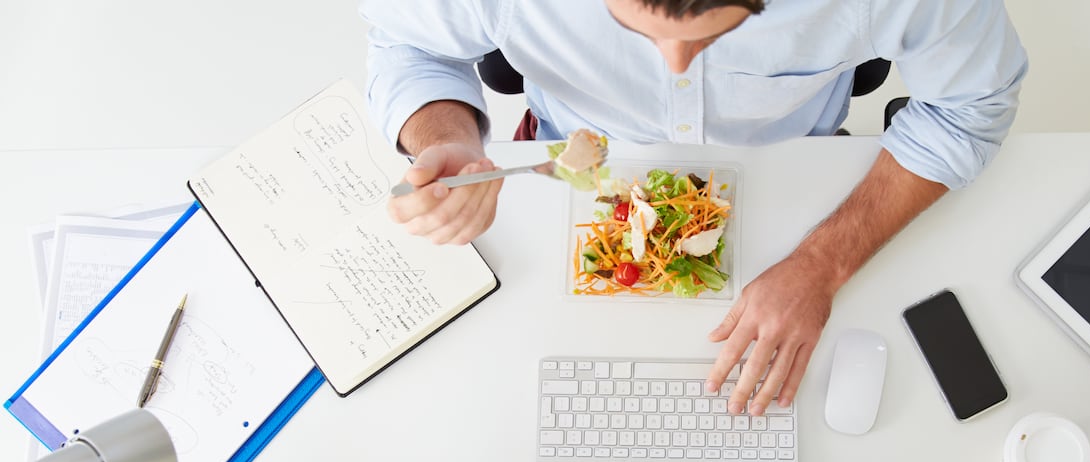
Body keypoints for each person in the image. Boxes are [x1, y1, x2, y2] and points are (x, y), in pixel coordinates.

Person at [361, 0, 1028, 416]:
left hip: (797, 175)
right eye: (635, 26)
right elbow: (405, 42)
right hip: (564, 170)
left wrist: (823, 263)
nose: (675, 66)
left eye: (717, 34)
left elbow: (971, 110)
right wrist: (444, 135)